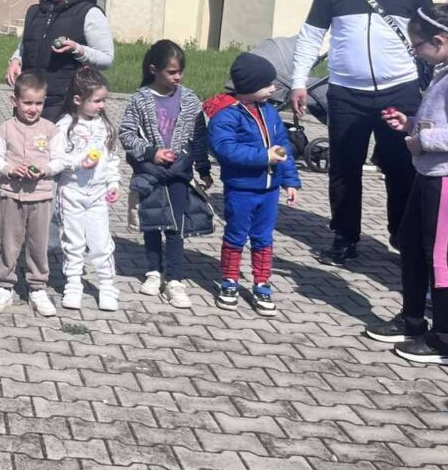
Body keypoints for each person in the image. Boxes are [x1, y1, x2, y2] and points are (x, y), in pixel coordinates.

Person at [290, 0, 433, 264]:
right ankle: (344, 237)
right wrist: (298, 81)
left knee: (401, 168)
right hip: (347, 93)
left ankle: (402, 236)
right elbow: (310, 37)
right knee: (344, 168)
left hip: (399, 91)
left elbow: (432, 34)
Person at [366, 4, 448, 366]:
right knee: (409, 244)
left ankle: (445, 338)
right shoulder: (443, 73)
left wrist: (425, 141)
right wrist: (409, 124)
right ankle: (412, 320)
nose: (415, 52)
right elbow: (440, 122)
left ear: (440, 40)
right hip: (426, 174)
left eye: (417, 45)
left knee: (438, 254)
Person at [119, 40, 214, 308]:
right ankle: (153, 271)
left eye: (180, 71)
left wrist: (203, 168)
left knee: (175, 225)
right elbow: (126, 134)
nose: (177, 77)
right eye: (172, 72)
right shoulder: (140, 99)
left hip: (179, 173)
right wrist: (151, 153)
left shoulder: (190, 99)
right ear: (154, 70)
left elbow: (199, 137)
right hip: (150, 172)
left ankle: (175, 278)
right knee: (152, 220)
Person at [205, 52, 301, 315]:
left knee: (263, 238)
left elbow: (283, 147)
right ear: (249, 86)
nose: (273, 88)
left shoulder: (270, 112)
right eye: (267, 84)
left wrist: (290, 180)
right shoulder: (226, 115)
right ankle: (230, 281)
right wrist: (263, 156)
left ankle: (262, 283)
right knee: (236, 236)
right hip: (241, 189)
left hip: (269, 190)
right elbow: (226, 150)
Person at [5, 0, 115, 121]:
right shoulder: (34, 12)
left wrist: (78, 49)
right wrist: (15, 60)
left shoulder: (89, 13)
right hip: (29, 104)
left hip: (65, 106)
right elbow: (25, 45)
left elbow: (106, 59)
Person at [48, 68, 121, 311]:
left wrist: (113, 183)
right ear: (78, 99)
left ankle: (107, 286)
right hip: (71, 193)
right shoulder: (65, 126)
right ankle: (73, 284)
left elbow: (112, 159)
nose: (102, 105)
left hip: (98, 195)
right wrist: (80, 163)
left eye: (104, 100)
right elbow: (57, 159)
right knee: (73, 241)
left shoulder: (105, 127)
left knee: (101, 242)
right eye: (97, 101)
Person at [0, 73, 57, 316]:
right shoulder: (6, 129)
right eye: (27, 103)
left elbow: (60, 160)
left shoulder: (50, 130)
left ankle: (38, 287)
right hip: (11, 195)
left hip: (42, 196)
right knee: (9, 241)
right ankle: (5, 285)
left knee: (38, 243)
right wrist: (9, 169)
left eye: (38, 103)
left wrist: (45, 169)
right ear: (14, 100)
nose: (32, 109)